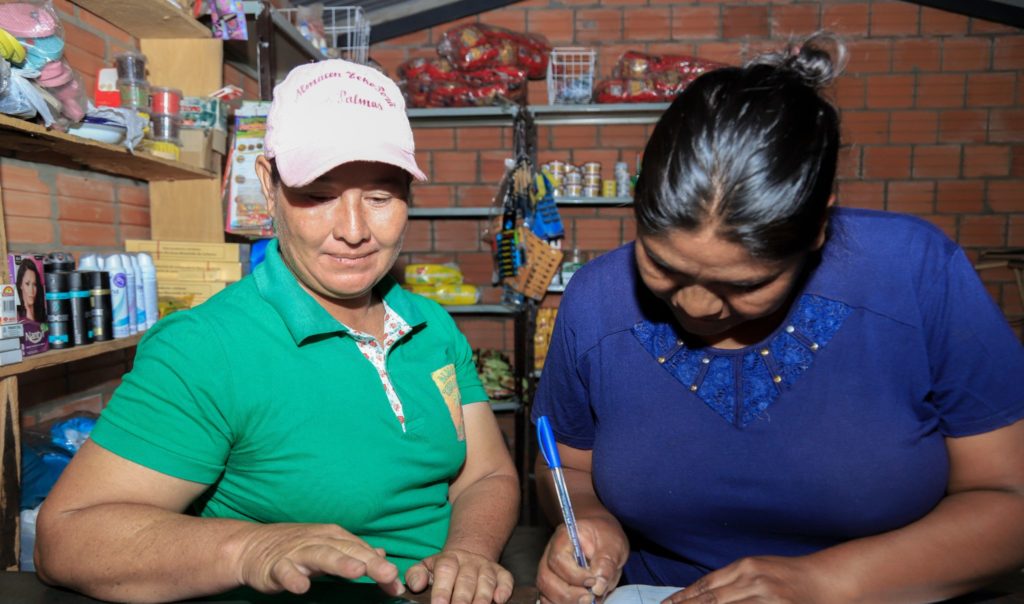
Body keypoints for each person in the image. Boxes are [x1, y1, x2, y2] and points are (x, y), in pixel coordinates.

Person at [533, 34, 1024, 604]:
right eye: (662, 266)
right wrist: (591, 522)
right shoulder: (596, 301)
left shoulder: (915, 274)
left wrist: (826, 582)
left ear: (818, 229)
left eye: (744, 284)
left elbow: (1009, 499)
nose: (695, 307)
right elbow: (564, 468)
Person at [35, 58, 519, 604]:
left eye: (380, 198)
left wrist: (471, 554)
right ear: (268, 186)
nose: (354, 231)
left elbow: (486, 475)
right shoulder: (206, 349)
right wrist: (249, 549)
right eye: (318, 195)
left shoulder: (432, 327)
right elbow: (66, 536)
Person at [16, 256, 43, 322]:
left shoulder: (42, 311)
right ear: (20, 285)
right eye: (27, 284)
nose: (31, 291)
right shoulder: (16, 315)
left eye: (34, 284)